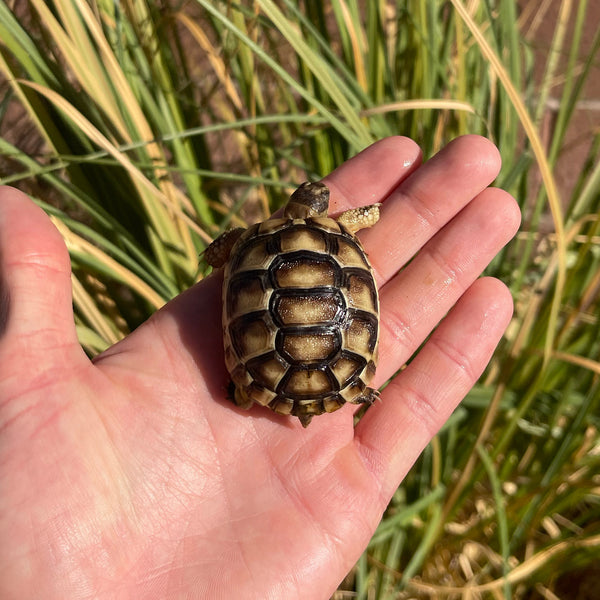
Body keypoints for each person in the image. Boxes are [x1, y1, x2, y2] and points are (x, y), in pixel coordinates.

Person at [0, 135, 520, 599]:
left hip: (263, 368)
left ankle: (250, 387)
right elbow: (367, 218)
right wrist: (366, 216)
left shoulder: (250, 239)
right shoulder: (341, 232)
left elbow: (216, 257)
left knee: (258, 353)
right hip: (340, 372)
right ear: (316, 206)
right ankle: (350, 384)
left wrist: (221, 250)